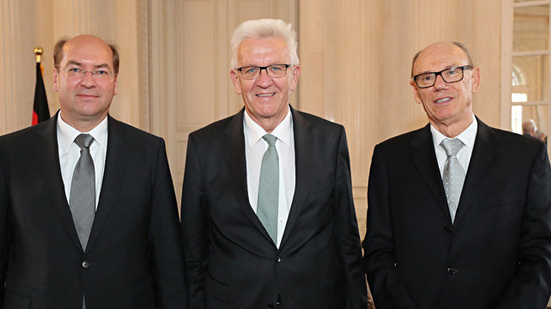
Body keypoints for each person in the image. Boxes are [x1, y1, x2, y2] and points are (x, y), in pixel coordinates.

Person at [0, 35, 186, 308]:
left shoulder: (148, 152)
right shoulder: (11, 153)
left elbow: (167, 259)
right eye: (75, 69)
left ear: (114, 83)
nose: (88, 81)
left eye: (101, 71)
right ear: (55, 78)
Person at [181, 19, 367, 308]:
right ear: (235, 79)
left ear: (294, 76)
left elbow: (346, 241)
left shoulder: (329, 140)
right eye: (251, 70)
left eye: (276, 68)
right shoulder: (204, 146)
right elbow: (193, 251)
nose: (264, 81)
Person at [364, 41, 551, 308]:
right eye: (426, 78)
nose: (439, 84)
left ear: (474, 79)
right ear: (416, 91)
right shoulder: (389, 158)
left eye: (452, 72)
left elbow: (541, 253)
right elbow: (378, 250)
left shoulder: (525, 156)